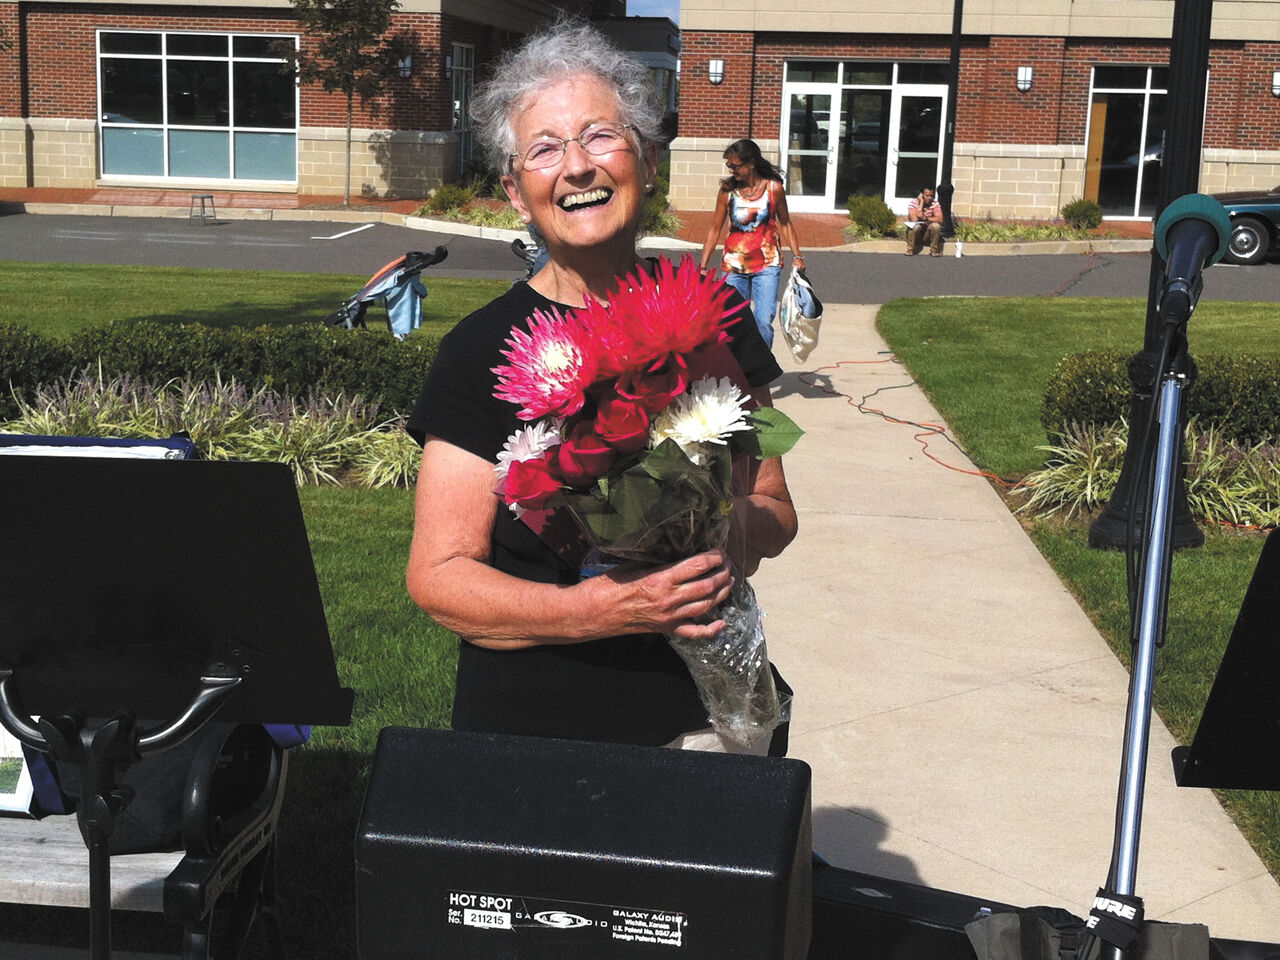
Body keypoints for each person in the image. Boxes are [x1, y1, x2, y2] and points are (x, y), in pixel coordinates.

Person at [404, 20, 798, 755]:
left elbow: (776, 506)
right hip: (536, 728)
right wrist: (596, 609)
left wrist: (721, 535)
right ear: (517, 193)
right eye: (545, 149)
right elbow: (438, 576)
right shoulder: (479, 352)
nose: (577, 167)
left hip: (701, 717)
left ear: (647, 161)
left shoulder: (721, 316)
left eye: (599, 137)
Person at [698, 139, 805, 347]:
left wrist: (798, 255)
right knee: (733, 322)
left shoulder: (774, 189)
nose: (732, 170)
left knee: (763, 321)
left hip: (767, 264)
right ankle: (740, 372)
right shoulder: (727, 192)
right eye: (729, 166)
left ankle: (762, 372)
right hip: (733, 266)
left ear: (752, 163)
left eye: (736, 166)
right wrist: (703, 266)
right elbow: (714, 229)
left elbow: (785, 223)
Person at [905, 186, 944, 256]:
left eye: (931, 196)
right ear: (922, 195)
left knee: (936, 226)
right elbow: (914, 219)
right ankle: (910, 249)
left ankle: (934, 250)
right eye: (927, 196)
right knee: (914, 226)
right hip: (916, 234)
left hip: (927, 233)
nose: (930, 198)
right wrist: (921, 203)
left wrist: (926, 218)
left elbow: (940, 219)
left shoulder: (935, 203)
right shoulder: (913, 203)